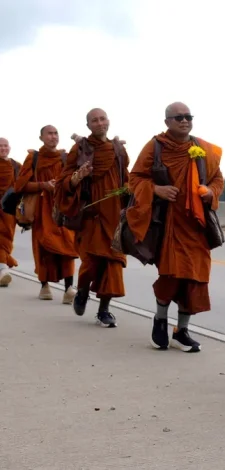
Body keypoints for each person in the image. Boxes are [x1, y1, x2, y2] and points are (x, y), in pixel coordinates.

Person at [128, 102, 224, 353]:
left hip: (196, 224)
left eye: (188, 117)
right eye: (179, 117)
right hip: (169, 222)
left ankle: (181, 331)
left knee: (195, 279)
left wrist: (210, 192)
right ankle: (160, 319)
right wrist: (156, 189)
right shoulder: (156, 146)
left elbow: (217, 178)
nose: (184, 121)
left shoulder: (203, 148)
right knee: (171, 275)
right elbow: (135, 178)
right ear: (167, 122)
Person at [55, 109, 130, 327]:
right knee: (91, 262)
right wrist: (78, 177)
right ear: (88, 126)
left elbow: (126, 178)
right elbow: (63, 182)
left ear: (108, 121)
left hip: (113, 216)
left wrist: (127, 191)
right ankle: (83, 291)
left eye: (102, 119)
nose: (99, 123)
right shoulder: (79, 149)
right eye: (94, 121)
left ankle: (104, 310)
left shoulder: (118, 150)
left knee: (113, 263)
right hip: (91, 216)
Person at [13, 126, 79, 302]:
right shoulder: (33, 158)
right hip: (41, 210)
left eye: (56, 133)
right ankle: (44, 286)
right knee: (43, 248)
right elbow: (20, 185)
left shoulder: (64, 157)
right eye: (49, 134)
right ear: (41, 137)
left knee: (67, 246)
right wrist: (43, 185)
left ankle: (69, 288)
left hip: (62, 210)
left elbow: (72, 182)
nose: (53, 137)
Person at [0, 137, 20, 287]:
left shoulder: (16, 166)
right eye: (0, 146)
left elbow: (23, 184)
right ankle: (4, 269)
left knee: (6, 238)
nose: (3, 148)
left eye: (5, 145)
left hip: (9, 209)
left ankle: (6, 262)